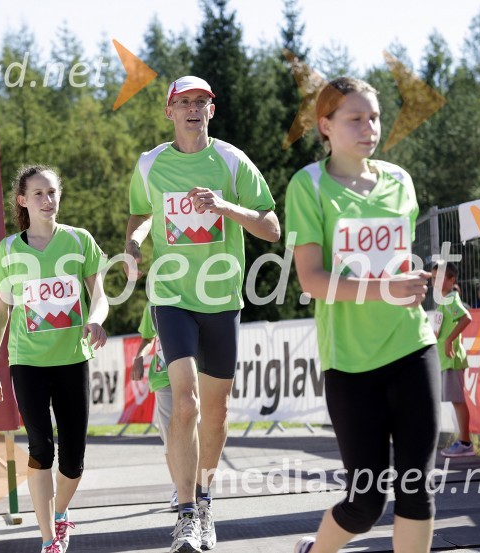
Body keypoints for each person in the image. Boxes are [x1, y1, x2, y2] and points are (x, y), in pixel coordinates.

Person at [125, 76, 280, 553]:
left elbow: (272, 229)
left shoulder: (233, 162)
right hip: (171, 297)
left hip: (221, 299)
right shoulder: (150, 164)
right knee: (185, 402)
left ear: (212, 109)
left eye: (201, 102)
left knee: (216, 412)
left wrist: (225, 207)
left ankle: (207, 499)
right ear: (169, 110)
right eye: (184, 102)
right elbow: (139, 213)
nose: (193, 109)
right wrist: (132, 242)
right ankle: (187, 513)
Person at [286, 77, 440, 553]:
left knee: (417, 488)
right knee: (365, 502)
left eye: (373, 117)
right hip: (350, 362)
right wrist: (387, 288)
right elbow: (311, 280)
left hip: (412, 347)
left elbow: (393, 259)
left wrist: (413, 279)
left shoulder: (400, 181)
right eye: (355, 118)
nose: (369, 127)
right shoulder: (307, 186)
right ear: (325, 126)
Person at [0, 165, 109, 553]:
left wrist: (95, 320)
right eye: (38, 193)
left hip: (73, 357)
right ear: (23, 200)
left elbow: (100, 296)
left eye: (52, 192)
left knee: (73, 459)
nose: (47, 200)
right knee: (41, 449)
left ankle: (59, 513)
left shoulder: (79, 241)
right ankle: (48, 539)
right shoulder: (8, 250)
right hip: (27, 362)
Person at [131, 302, 179, 512]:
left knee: (194, 432)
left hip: (194, 374)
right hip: (163, 375)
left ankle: (199, 487)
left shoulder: (194, 290)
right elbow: (148, 338)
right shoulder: (152, 302)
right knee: (171, 437)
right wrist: (139, 357)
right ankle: (180, 487)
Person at [431, 262, 474, 457]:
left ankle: (465, 443)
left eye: (439, 278)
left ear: (451, 280)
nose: (434, 282)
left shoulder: (450, 300)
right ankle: (463, 442)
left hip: (452, 359)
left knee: (458, 401)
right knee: (453, 401)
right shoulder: (443, 301)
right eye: (433, 278)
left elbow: (466, 318)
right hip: (443, 359)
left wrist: (449, 341)